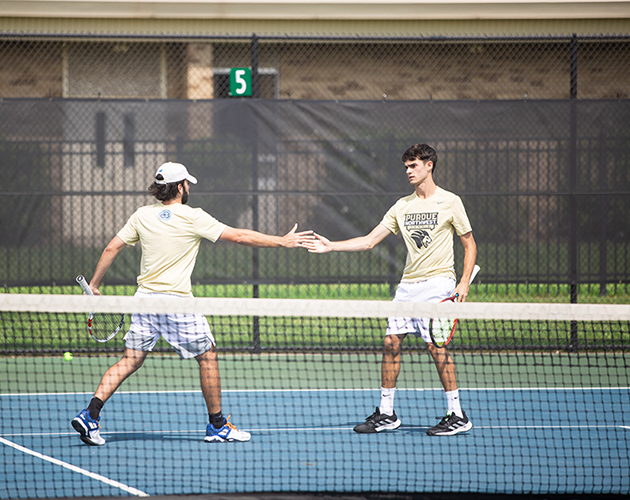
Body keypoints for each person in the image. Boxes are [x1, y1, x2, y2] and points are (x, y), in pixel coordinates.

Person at [71, 161, 313, 446]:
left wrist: (95, 285)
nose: (189, 188)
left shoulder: (141, 216)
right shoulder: (193, 216)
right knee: (208, 355)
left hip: (145, 301)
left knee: (130, 360)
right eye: (187, 184)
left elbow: (112, 247)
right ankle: (218, 426)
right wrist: (282, 241)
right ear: (179, 187)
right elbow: (239, 236)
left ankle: (91, 414)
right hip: (176, 303)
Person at [303, 144, 477, 436]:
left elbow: (469, 244)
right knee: (390, 343)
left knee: (436, 347)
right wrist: (331, 245)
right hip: (408, 285)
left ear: (429, 166)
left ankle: (457, 414)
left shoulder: (450, 202)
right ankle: (386, 413)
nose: (408, 171)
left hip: (438, 281)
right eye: (406, 167)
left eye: (413, 166)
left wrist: (463, 282)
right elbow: (370, 240)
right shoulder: (402, 206)